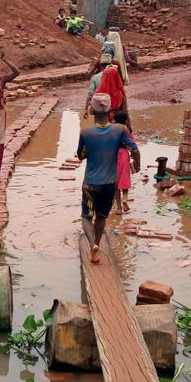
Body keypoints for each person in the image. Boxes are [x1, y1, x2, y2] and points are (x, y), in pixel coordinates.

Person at [77, 93, 141, 263]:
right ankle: (97, 244)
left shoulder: (86, 132)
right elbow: (134, 149)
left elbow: (81, 156)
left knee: (86, 216)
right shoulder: (120, 130)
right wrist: (138, 165)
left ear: (93, 111)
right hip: (110, 184)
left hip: (91, 183)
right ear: (110, 111)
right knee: (102, 217)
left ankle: (92, 245)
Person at [95, 61, 129, 130]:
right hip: (117, 127)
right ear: (117, 77)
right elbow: (125, 111)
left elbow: (92, 112)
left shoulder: (98, 95)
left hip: (102, 126)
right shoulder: (121, 94)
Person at [113, 111, 135, 214]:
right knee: (125, 178)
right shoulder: (127, 130)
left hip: (114, 155)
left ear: (115, 119)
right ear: (125, 120)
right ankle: (125, 199)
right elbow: (133, 145)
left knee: (116, 183)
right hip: (124, 155)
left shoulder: (111, 129)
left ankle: (118, 208)